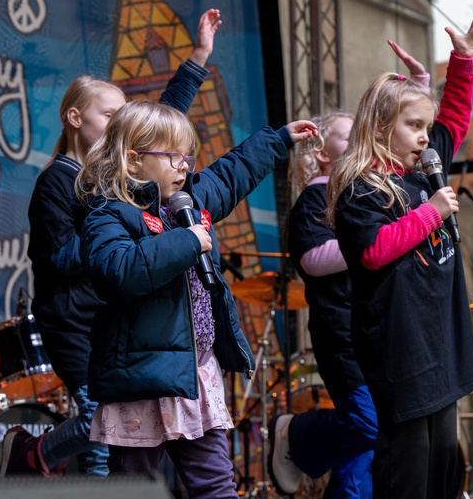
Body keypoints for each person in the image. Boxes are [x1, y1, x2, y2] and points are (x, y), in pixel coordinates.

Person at [5, 9, 223, 478]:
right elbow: (57, 258)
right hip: (70, 322)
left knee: (109, 428)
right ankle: (35, 454)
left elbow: (159, 131)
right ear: (74, 116)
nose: (122, 124)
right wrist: (111, 239)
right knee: (100, 426)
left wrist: (198, 58)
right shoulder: (58, 183)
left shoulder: (115, 180)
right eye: (111, 115)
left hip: (107, 320)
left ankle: (37, 455)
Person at [61, 99, 316, 497]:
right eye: (173, 156)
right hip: (141, 378)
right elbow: (119, 272)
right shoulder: (107, 215)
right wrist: (185, 241)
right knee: (134, 487)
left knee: (216, 484)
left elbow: (233, 173)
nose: (185, 165)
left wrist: (279, 139)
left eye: (188, 155)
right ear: (133, 159)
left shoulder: (188, 204)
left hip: (194, 375)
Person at [326, 8, 473, 499]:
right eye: (413, 126)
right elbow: (374, 252)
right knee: (410, 465)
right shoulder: (361, 188)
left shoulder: (423, 169)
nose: (427, 137)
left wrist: (463, 62)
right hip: (400, 347)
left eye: (426, 127)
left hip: (439, 340)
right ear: (381, 128)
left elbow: (454, 121)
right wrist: (431, 214)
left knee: (445, 457)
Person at [268, 44, 432, 498]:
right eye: (348, 134)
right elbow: (312, 260)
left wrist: (419, 90)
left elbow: (420, 132)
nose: (361, 137)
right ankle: (296, 434)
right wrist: (368, 241)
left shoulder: (368, 193)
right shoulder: (317, 197)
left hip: (377, 332)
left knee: (375, 444)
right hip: (340, 331)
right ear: (320, 156)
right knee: (365, 424)